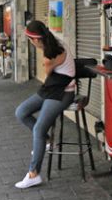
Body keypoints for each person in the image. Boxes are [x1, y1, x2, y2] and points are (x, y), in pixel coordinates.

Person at [14, 20, 76, 189]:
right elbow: (49, 79)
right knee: (21, 112)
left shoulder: (50, 55)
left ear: (35, 40)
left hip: (64, 92)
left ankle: (34, 174)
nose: (31, 43)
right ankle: (47, 141)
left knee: (38, 129)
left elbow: (48, 72)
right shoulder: (54, 43)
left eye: (30, 39)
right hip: (51, 88)